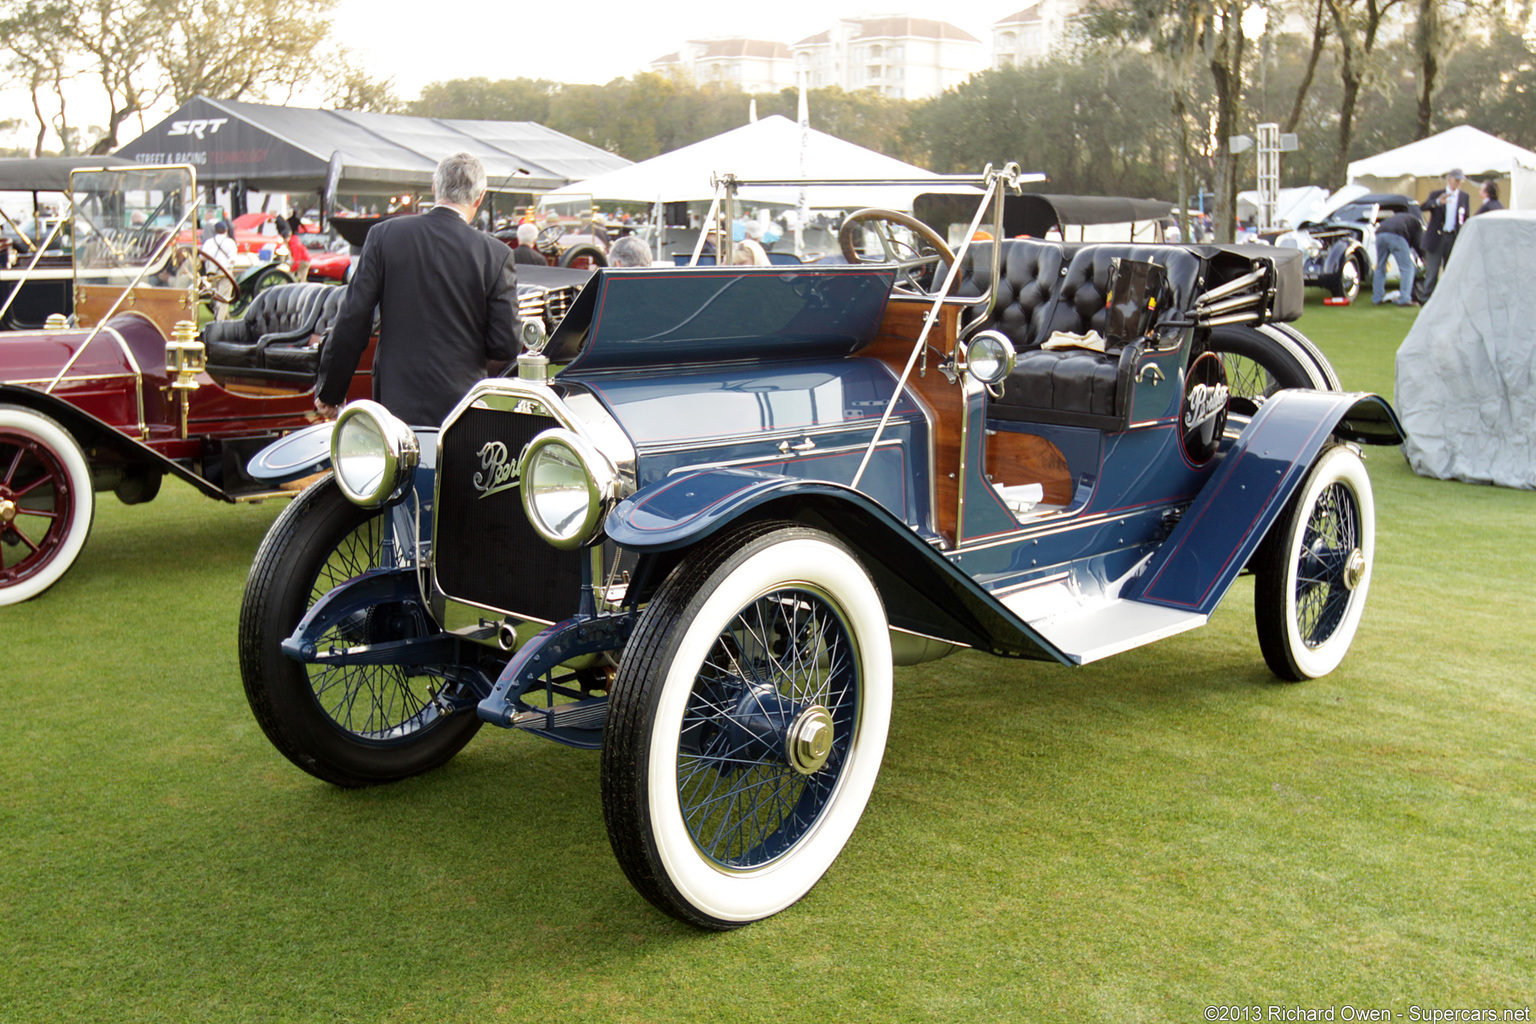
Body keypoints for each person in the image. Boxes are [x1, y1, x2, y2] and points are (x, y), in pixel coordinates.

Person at [316, 152, 519, 427]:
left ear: (435, 188)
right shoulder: (497, 255)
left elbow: (353, 319)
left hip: (394, 400)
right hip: (461, 405)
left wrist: (331, 392)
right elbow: (505, 343)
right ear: (480, 197)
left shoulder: (383, 236)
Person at [1422, 168, 1470, 297]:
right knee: (1432, 272)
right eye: (1457, 180)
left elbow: (1465, 218)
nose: (1459, 183)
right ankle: (1426, 299)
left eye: (1461, 181)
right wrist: (1438, 202)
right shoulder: (1437, 194)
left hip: (1452, 237)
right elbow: (1424, 206)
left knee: (1450, 271)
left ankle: (1448, 299)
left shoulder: (1464, 197)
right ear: (1449, 180)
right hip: (1437, 237)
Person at [1372, 210, 1423, 307]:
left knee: (1380, 267)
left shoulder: (1400, 217)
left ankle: (1377, 298)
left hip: (1380, 234)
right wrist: (1423, 257)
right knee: (1407, 268)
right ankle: (1405, 299)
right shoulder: (1417, 223)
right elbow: (1418, 243)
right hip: (1396, 234)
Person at [274, 216, 310, 281]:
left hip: (304, 261)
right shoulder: (291, 242)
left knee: (300, 279)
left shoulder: (295, 244)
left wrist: (292, 270)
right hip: (302, 260)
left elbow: (297, 259)